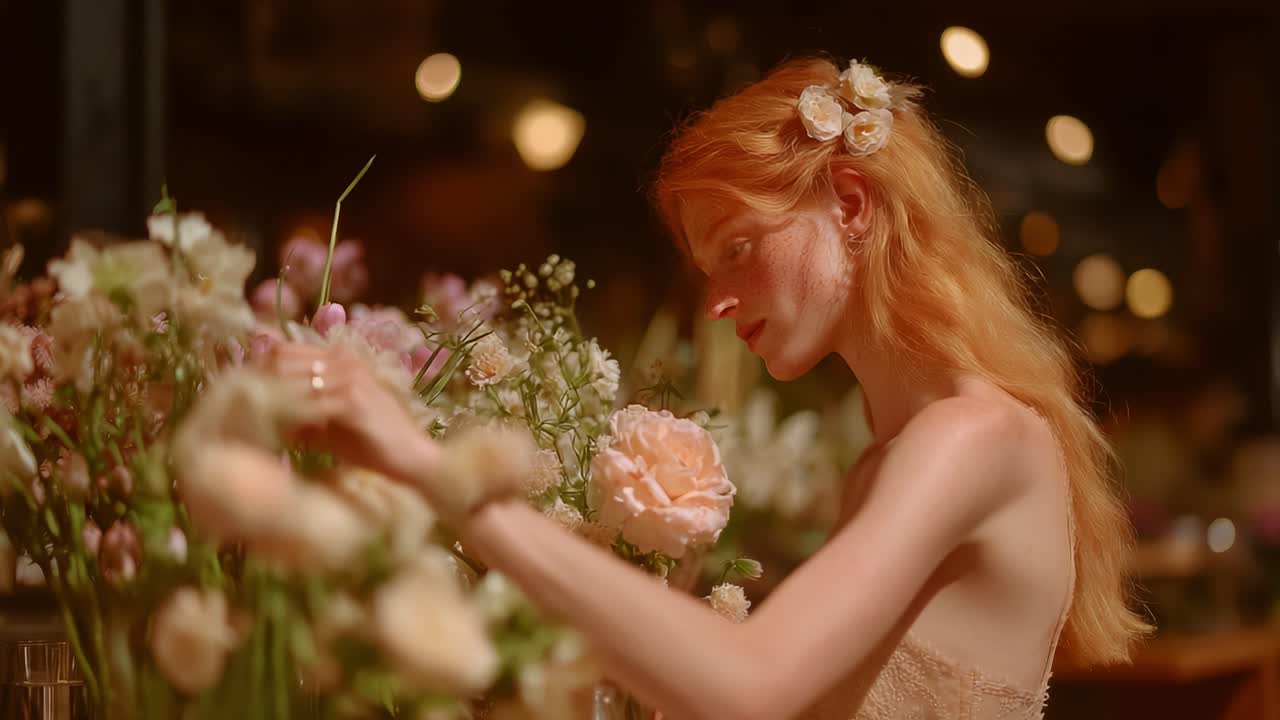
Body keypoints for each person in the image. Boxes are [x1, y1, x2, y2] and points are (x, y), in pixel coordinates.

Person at [265, 55, 1149, 719]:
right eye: (706, 266)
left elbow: (751, 686)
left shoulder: (972, 439)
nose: (719, 300)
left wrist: (432, 472)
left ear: (850, 202)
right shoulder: (890, 462)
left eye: (738, 246)